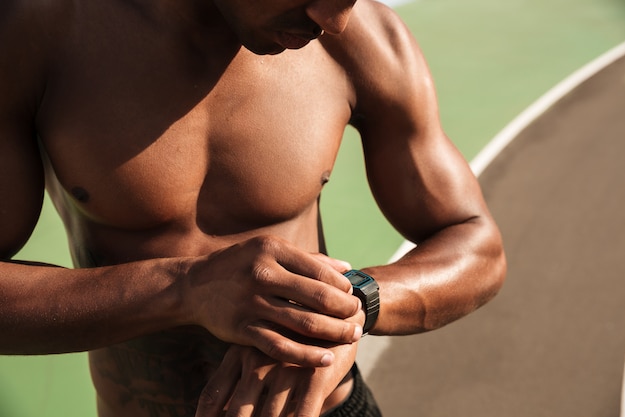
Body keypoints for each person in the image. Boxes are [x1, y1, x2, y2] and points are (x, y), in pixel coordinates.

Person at [0, 0, 507, 416]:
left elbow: (477, 245)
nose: (335, 20)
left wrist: (347, 306)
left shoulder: (364, 39)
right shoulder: (36, 32)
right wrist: (185, 289)